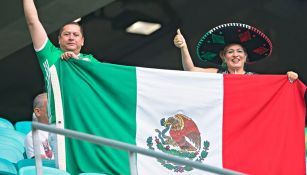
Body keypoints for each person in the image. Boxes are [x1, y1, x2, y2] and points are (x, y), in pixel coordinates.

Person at [173, 23, 298, 82]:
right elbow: (191, 70)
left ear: (245, 56)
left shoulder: (255, 79)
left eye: (239, 51)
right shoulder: (218, 74)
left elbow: (277, 87)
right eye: (230, 52)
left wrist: (289, 79)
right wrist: (183, 47)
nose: (235, 55)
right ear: (223, 56)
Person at [24, 92, 54, 159]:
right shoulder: (32, 136)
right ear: (37, 112)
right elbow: (43, 165)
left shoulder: (65, 131)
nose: (55, 111)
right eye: (51, 107)